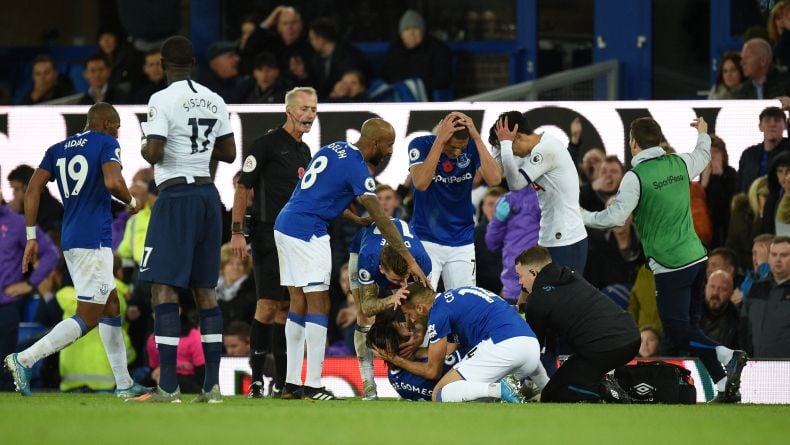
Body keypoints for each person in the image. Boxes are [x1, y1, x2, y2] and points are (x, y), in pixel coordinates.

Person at [581, 116, 748, 403]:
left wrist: (582, 215)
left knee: (680, 335)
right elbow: (703, 154)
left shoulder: (635, 177)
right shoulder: (679, 163)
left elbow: (616, 217)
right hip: (697, 259)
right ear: (658, 140)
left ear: (633, 142)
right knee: (692, 328)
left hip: (671, 266)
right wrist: (704, 133)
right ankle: (723, 386)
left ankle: (729, 356)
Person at [273, 118, 429, 400]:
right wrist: (409, 258)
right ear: (374, 143)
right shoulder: (358, 168)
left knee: (297, 302)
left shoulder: (333, 149)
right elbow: (381, 216)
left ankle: (291, 383)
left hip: (285, 224)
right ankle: (313, 385)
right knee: (319, 302)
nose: (390, 151)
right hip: (309, 231)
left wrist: (354, 217)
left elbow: (318, 192)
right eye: (388, 145)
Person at [4, 102, 148, 399]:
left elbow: (32, 190)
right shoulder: (106, 142)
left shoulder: (58, 148)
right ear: (107, 123)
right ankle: (24, 359)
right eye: (117, 127)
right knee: (89, 315)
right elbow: (113, 181)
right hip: (93, 238)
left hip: (72, 237)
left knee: (110, 305)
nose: (118, 134)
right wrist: (132, 203)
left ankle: (123, 384)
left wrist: (32, 235)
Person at [131, 36, 238, 403]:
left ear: (162, 65)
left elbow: (156, 150)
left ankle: (169, 386)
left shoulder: (161, 99)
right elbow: (228, 151)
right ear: (193, 63)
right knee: (205, 290)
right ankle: (211, 387)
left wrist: (146, 145)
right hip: (209, 196)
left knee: (163, 287)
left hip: (176, 195)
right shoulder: (215, 99)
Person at [230, 86, 317, 399]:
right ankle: (256, 381)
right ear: (289, 110)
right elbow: (243, 187)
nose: (310, 115)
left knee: (289, 309)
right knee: (267, 307)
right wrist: (237, 231)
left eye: (314, 110)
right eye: (305, 109)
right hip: (268, 235)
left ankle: (284, 383)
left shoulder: (305, 152)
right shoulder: (265, 145)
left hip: (298, 238)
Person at [372, 283, 548, 403]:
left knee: (440, 393)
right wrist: (417, 352)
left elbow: (433, 371)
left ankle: (500, 390)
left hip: (504, 347)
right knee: (473, 392)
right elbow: (446, 352)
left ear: (420, 308)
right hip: (531, 349)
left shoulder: (438, 313)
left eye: (409, 314)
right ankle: (538, 387)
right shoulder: (458, 297)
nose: (411, 321)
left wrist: (396, 359)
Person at [514, 246, 638, 403]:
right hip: (631, 336)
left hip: (604, 347)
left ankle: (605, 391)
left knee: (553, 394)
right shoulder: (570, 276)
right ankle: (604, 385)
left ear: (533, 273)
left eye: (520, 276)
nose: (520, 282)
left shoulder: (537, 300)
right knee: (572, 378)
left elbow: (533, 347)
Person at [409, 112, 501, 290]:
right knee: (423, 300)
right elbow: (420, 183)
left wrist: (476, 138)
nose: (457, 152)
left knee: (463, 299)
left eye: (461, 147)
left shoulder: (472, 146)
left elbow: (495, 179)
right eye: (452, 147)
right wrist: (439, 142)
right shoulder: (420, 145)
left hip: (462, 240)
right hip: (426, 239)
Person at [493, 111, 588, 273]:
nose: (512, 153)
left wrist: (507, 146)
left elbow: (515, 184)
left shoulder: (546, 149)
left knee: (562, 297)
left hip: (566, 238)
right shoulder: (530, 150)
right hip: (550, 237)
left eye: (510, 146)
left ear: (517, 138)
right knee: (542, 294)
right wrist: (502, 146)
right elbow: (497, 174)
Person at [350, 222, 433, 400]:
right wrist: (391, 299)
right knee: (364, 318)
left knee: (414, 309)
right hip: (361, 247)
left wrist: (418, 333)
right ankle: (369, 386)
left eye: (405, 277)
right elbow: (367, 307)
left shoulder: (422, 263)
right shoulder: (369, 260)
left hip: (409, 255)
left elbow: (424, 308)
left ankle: (410, 379)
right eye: (397, 279)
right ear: (382, 270)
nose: (403, 283)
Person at [0, 185, 59, 392]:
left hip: (5, 306)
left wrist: (29, 284)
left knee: (3, 377)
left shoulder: (17, 223)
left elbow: (51, 254)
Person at [366, 309, 465, 401]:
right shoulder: (442, 361)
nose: (404, 324)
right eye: (399, 326)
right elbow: (455, 327)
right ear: (400, 343)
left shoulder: (393, 376)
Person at [485, 185, 540, 302]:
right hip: (511, 286)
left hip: (537, 284)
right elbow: (492, 244)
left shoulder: (543, 198)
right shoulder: (505, 201)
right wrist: (497, 221)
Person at [382, 9, 453, 100]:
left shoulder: (438, 49)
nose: (411, 33)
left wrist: (415, 86)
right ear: (401, 34)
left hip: (427, 96)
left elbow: (443, 79)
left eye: (415, 28)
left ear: (422, 31)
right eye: (407, 29)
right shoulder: (395, 49)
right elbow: (386, 75)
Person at [740, 236, 790, 358]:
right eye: (774, 254)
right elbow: (744, 327)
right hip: (758, 365)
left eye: (784, 255)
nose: (778, 259)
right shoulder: (756, 288)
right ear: (769, 258)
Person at [306, 17, 371, 98]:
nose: (310, 42)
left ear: (321, 39)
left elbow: (355, 86)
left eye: (311, 39)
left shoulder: (348, 55)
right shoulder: (316, 58)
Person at [737, 106, 790, 194]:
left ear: (785, 126)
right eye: (767, 120)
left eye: (777, 120)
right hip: (751, 205)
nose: (772, 124)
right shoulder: (748, 154)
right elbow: (739, 185)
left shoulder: (788, 153)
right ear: (760, 126)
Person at [701, 135, 738, 248]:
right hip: (706, 230)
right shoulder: (702, 175)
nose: (712, 156)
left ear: (723, 155)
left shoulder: (731, 174)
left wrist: (717, 177)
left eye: (716, 152)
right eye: (709, 152)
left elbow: (723, 208)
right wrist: (703, 185)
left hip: (726, 229)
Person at [6, 165, 64, 233]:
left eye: (16, 189)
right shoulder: (22, 209)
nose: (14, 194)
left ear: (27, 188)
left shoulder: (52, 212)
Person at [215, 243, 256, 328]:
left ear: (245, 268)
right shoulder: (212, 289)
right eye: (230, 263)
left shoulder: (252, 291)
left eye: (240, 264)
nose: (235, 267)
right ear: (223, 266)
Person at [702, 270, 740, 350]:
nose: (715, 293)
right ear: (705, 287)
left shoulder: (737, 319)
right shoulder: (689, 313)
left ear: (731, 293)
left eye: (722, 289)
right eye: (712, 286)